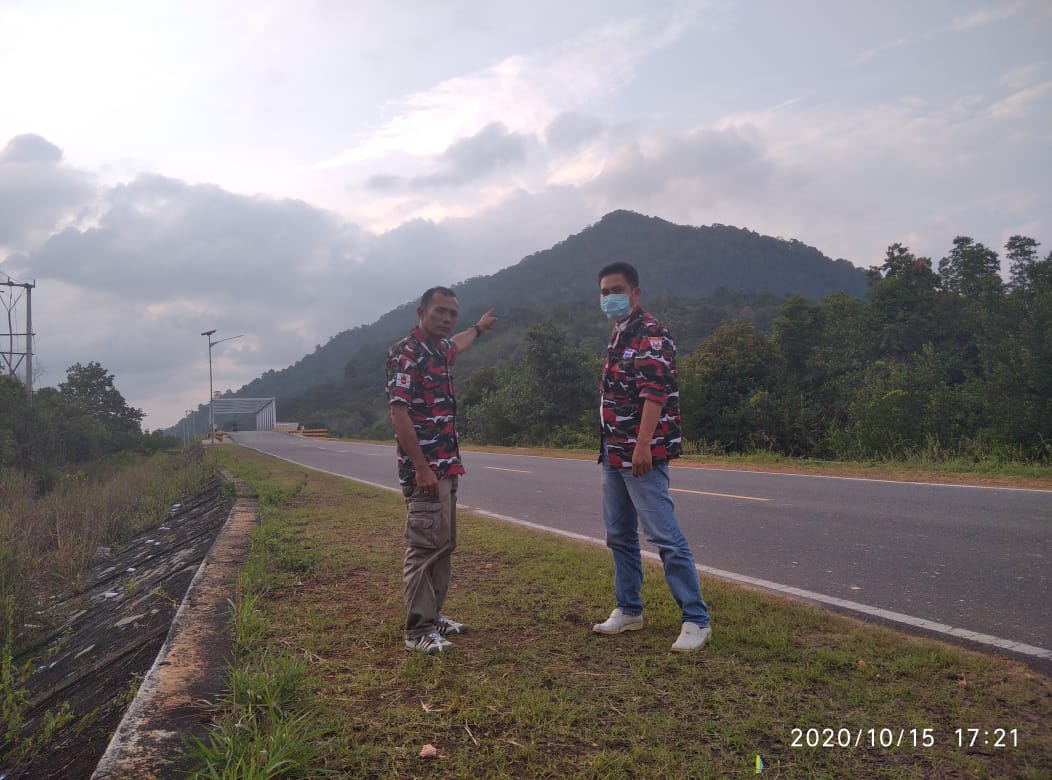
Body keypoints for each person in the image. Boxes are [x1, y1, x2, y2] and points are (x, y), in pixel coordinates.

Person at [592, 262, 712, 653]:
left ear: (636, 293)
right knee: (619, 535)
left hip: (639, 451)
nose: (610, 297)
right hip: (613, 449)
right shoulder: (619, 333)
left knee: (665, 537)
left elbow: (654, 393)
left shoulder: (651, 333)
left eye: (618, 289)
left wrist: (642, 445)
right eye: (605, 291)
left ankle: (696, 618)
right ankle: (629, 609)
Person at [386, 286, 497, 654]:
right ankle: (417, 632)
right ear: (421, 312)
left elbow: (460, 343)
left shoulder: (440, 350)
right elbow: (398, 412)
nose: (448, 318)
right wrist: (421, 468)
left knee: (443, 545)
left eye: (452, 313)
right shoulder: (407, 353)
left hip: (448, 466)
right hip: (426, 471)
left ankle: (433, 617)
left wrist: (479, 327)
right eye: (440, 312)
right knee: (423, 548)